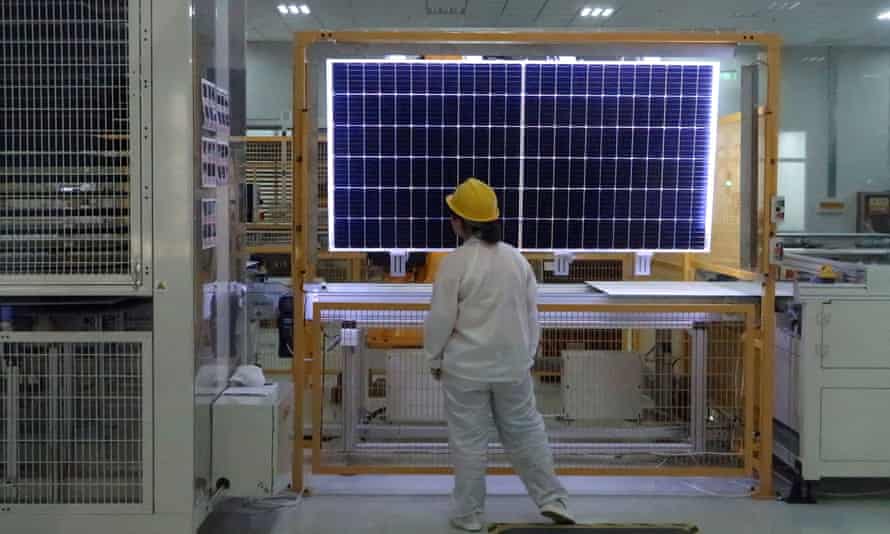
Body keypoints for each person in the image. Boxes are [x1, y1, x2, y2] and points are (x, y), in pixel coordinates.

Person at [423, 178, 574, 532]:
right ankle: (553, 499)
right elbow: (531, 314)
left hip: (465, 372)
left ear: (459, 222)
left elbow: (441, 319)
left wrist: (433, 359)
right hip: (513, 369)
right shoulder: (516, 261)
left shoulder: (455, 264)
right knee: (527, 435)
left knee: (469, 443)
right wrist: (527, 355)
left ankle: (468, 516)